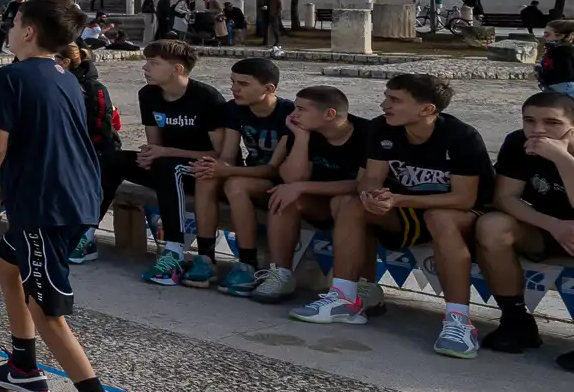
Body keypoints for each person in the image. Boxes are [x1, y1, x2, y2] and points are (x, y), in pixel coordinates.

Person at [0, 0, 139, 392]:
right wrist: (1, 196)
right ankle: (22, 366)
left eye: (15, 20)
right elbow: (45, 145)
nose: (9, 26)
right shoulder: (64, 77)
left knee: (49, 312)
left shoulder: (12, 76)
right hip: (68, 195)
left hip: (48, 207)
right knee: (5, 263)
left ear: (29, 31)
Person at [291, 74, 491, 357]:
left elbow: (463, 198)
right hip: (405, 208)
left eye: (395, 100)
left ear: (427, 109)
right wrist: (373, 195)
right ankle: (345, 300)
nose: (384, 104)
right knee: (349, 204)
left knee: (439, 217)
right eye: (386, 97)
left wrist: (397, 198)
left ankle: (459, 321)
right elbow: (371, 177)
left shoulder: (461, 137)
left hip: (460, 213)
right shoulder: (382, 128)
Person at [100, 40, 227, 286]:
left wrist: (163, 152)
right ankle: (84, 233)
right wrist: (149, 154)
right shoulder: (148, 94)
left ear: (177, 69)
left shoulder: (206, 98)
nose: (145, 68)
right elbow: (154, 143)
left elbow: (220, 154)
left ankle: (174, 252)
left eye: (153, 63)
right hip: (165, 166)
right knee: (111, 159)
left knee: (168, 166)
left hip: (202, 172)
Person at [473, 91, 574, 358]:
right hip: (550, 228)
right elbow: (504, 197)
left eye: (552, 123)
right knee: (492, 226)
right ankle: (516, 321)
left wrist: (562, 158)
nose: (538, 130)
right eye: (529, 121)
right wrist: (553, 224)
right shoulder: (519, 143)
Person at [252, 85, 367, 303]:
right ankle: (281, 274)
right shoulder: (303, 130)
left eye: (301, 109)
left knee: (342, 201)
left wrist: (303, 188)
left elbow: (361, 186)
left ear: (329, 114)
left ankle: (348, 292)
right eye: (295, 108)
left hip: (356, 206)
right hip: (319, 202)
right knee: (283, 197)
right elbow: (292, 179)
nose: (293, 114)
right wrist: (302, 138)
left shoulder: (366, 133)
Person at [194, 56, 293, 295]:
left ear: (269, 88)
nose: (234, 88)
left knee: (236, 185)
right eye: (233, 82)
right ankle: (205, 258)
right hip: (250, 174)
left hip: (281, 181)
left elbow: (273, 169)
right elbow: (228, 153)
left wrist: (227, 170)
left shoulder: (288, 113)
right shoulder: (234, 109)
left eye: (243, 84)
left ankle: (248, 264)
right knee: (206, 176)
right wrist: (215, 166)